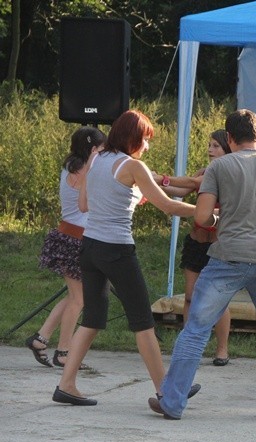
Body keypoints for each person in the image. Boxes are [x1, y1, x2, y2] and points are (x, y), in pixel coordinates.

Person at [150, 109, 256, 421]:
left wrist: (218, 218)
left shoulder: (220, 167)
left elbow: (202, 217)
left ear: (229, 139)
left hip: (227, 257)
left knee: (196, 329)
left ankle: (173, 403)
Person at [52, 110, 197, 406]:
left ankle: (66, 385)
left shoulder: (96, 159)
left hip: (90, 246)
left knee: (92, 319)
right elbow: (168, 206)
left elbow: (83, 203)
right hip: (117, 249)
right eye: (145, 140)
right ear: (134, 138)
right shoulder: (132, 166)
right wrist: (209, 214)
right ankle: (165, 391)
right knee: (143, 322)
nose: (147, 147)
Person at [26, 126, 106, 368]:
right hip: (75, 239)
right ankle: (63, 352)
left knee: (74, 297)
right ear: (93, 150)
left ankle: (41, 339)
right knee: (79, 300)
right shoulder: (84, 170)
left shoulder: (72, 165)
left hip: (69, 236)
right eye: (102, 149)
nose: (104, 154)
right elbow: (91, 203)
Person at [160, 130, 234, 367]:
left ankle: (222, 350)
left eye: (216, 146)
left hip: (218, 245)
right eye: (209, 145)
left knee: (219, 300)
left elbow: (192, 184)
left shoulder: (229, 174)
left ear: (227, 149)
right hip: (195, 241)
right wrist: (149, 183)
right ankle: (188, 347)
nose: (210, 150)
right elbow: (181, 191)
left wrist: (158, 177)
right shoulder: (204, 172)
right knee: (190, 297)